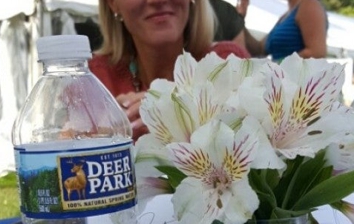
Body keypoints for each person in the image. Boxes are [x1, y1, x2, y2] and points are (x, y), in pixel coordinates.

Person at [89, 0, 250, 141]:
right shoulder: (93, 79)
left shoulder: (227, 63)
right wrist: (98, 136)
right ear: (112, 3)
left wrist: (174, 119)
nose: (157, 0)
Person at [244, 0, 327, 62]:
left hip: (295, 82)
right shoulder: (285, 16)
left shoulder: (309, 5)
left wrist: (278, 65)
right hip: (279, 80)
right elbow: (259, 49)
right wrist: (239, 20)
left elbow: (317, 53)